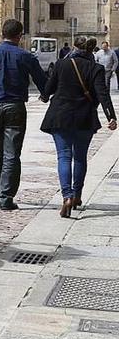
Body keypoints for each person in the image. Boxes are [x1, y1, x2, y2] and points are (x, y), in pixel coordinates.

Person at [0, 19, 47, 211]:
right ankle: (6, 196)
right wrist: (45, 95)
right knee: (12, 152)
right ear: (19, 36)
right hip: (15, 105)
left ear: (1, 33)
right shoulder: (25, 56)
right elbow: (42, 81)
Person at [40, 37, 117, 217]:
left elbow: (48, 88)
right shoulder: (96, 68)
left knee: (64, 157)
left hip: (60, 116)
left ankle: (66, 196)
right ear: (91, 51)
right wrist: (111, 116)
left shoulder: (61, 65)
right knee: (80, 158)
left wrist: (44, 96)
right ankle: (76, 195)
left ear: (74, 48)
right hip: (85, 118)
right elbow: (102, 93)